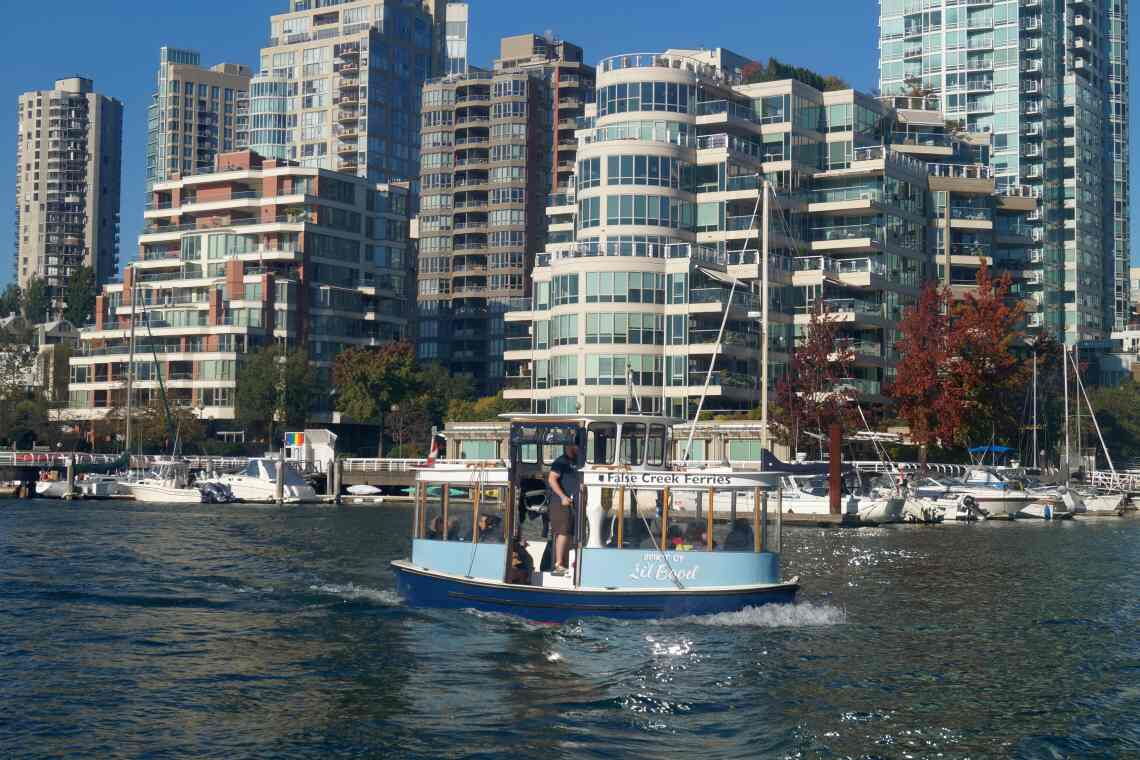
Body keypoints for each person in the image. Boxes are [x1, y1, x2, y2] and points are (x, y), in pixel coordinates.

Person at [546, 443, 580, 576]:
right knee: (563, 532)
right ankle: (558, 564)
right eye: (577, 446)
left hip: (573, 503)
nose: (579, 449)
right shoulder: (560, 461)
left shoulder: (577, 462)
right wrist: (562, 497)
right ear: (569, 446)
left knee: (571, 533)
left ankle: (568, 563)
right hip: (560, 502)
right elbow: (551, 479)